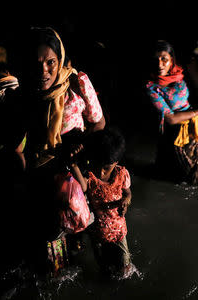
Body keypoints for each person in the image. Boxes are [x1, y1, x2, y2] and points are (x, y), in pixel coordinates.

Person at [17, 27, 105, 276]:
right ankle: (58, 273)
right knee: (52, 242)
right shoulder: (25, 93)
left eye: (50, 62)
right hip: (42, 175)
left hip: (75, 169)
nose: (43, 71)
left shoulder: (77, 83)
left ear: (60, 59)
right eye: (37, 63)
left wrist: (79, 147)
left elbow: (98, 122)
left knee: (79, 227)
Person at [145, 40, 198, 184]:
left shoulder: (179, 74)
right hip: (176, 131)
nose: (159, 64)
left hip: (196, 125)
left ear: (171, 60)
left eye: (164, 59)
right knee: (180, 176)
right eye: (156, 60)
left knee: (197, 170)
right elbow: (171, 119)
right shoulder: (152, 87)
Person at [69, 127, 133, 279]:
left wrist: (127, 199)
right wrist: (74, 165)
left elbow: (127, 191)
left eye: (106, 168)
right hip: (97, 232)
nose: (101, 172)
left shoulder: (122, 174)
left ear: (116, 163)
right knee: (104, 266)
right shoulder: (90, 177)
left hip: (118, 230)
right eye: (97, 164)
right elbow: (83, 187)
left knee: (125, 268)